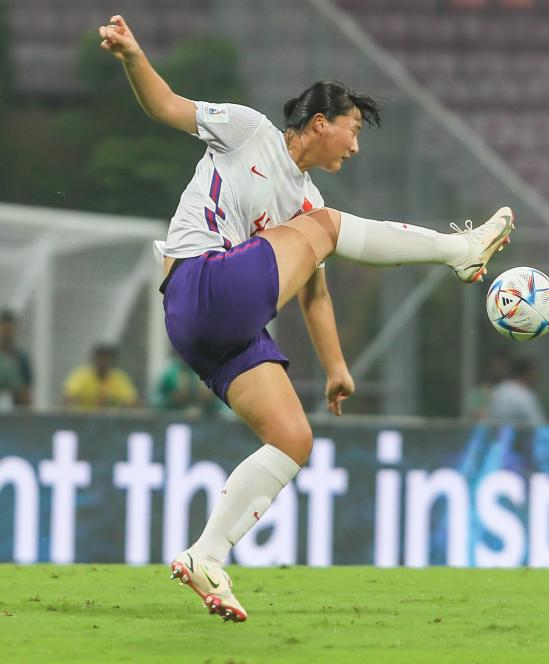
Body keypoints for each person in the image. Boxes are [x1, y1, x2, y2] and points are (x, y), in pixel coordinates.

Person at [99, 15, 514, 622]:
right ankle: (459, 250)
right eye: (351, 130)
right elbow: (165, 105)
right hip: (200, 280)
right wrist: (135, 54)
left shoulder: (307, 206)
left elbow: (312, 294)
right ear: (319, 124)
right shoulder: (249, 131)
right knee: (326, 227)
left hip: (211, 327)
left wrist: (336, 368)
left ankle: (208, 554)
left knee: (294, 440)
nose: (355, 145)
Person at [63, 343, 140, 410]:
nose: (103, 362)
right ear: (94, 359)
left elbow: (132, 402)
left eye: (106, 359)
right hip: (83, 422)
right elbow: (68, 398)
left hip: (111, 423)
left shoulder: (119, 378)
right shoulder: (81, 375)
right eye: (100, 358)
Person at [153, 355, 222, 415]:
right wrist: (171, 399)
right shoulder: (169, 372)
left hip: (205, 422)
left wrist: (211, 399)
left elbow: (222, 406)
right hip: (173, 420)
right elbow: (153, 400)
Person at [488, 357, 546, 426]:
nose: (537, 376)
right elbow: (539, 425)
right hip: (517, 435)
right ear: (528, 372)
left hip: (497, 434)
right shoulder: (524, 395)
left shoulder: (501, 388)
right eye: (535, 372)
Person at [0, 310, 32, 407]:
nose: (7, 333)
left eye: (10, 329)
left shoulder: (21, 358)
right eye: (4, 329)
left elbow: (25, 391)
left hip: (15, 411)